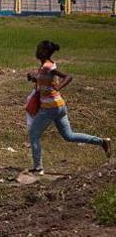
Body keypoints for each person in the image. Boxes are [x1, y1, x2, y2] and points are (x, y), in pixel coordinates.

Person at [26, 40, 110, 174]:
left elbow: (68, 76)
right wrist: (34, 78)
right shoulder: (45, 67)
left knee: (33, 134)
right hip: (59, 106)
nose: (36, 50)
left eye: (39, 48)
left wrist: (59, 87)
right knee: (69, 136)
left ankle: (38, 168)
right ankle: (102, 142)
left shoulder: (48, 66)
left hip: (50, 108)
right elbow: (46, 82)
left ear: (44, 52)